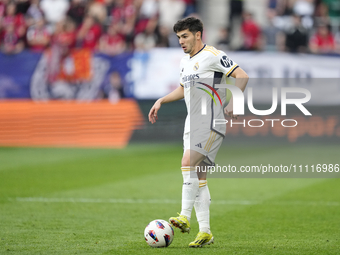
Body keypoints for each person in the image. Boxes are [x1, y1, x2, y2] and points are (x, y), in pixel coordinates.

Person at [148, 17, 249, 248]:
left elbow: (242, 76)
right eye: (178, 38)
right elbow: (183, 90)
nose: (181, 41)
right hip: (191, 124)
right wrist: (162, 100)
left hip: (211, 122)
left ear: (198, 34)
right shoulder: (185, 62)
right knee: (199, 178)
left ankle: (184, 216)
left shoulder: (213, 55)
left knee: (187, 163)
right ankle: (205, 232)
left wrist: (235, 101)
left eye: (184, 36)